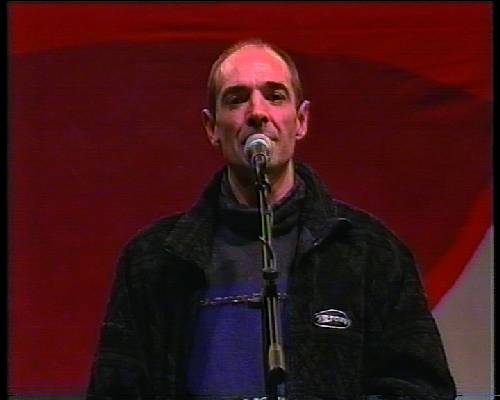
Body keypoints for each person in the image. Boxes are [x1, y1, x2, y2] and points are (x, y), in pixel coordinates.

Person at [87, 39, 456, 400]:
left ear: (301, 120)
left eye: (275, 96)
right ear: (212, 127)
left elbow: (422, 388)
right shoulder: (153, 260)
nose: (257, 113)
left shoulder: (370, 251)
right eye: (236, 99)